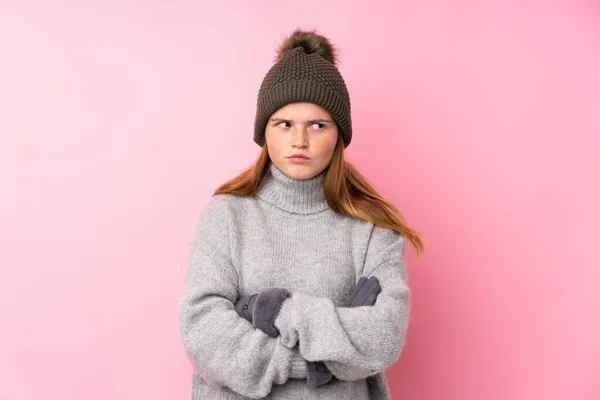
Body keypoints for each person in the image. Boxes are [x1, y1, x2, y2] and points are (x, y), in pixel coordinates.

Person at [178, 27, 424, 400]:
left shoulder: (373, 227)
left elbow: (383, 335)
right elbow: (202, 329)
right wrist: (314, 360)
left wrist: (272, 311)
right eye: (284, 124)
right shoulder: (227, 216)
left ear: (338, 134)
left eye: (317, 125)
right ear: (265, 131)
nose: (299, 141)